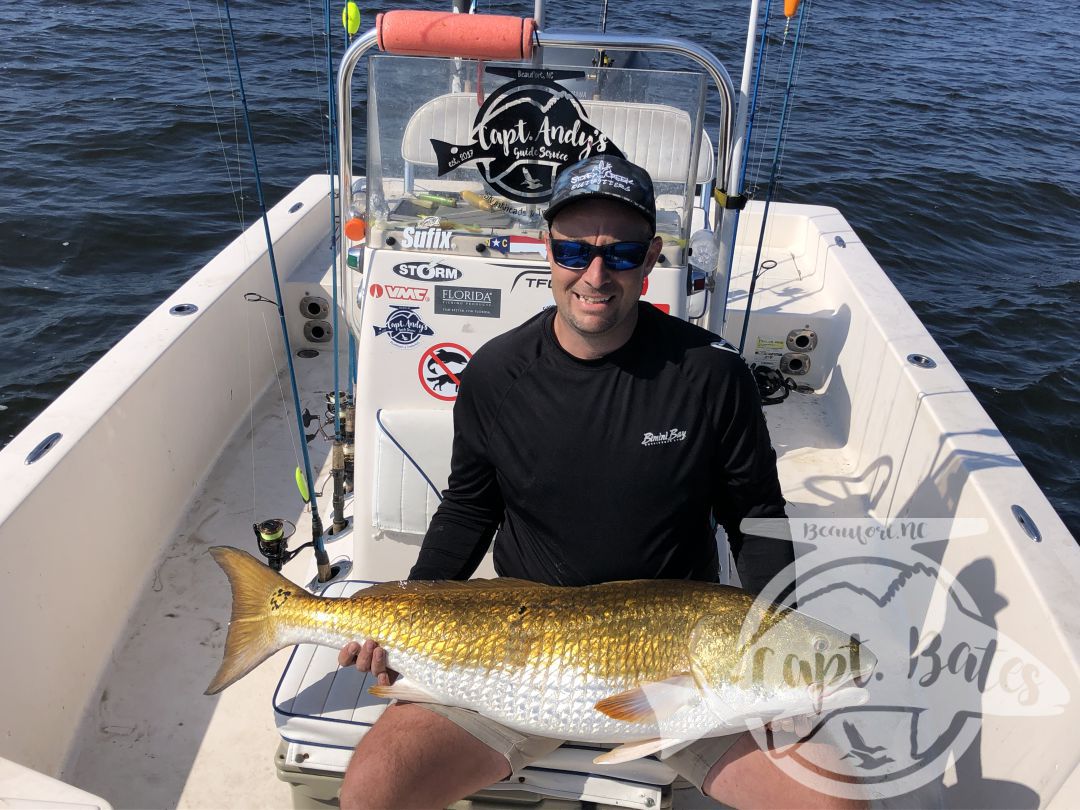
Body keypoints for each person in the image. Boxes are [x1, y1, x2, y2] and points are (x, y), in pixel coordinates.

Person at [337, 155, 861, 809]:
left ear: (650, 261)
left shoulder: (711, 374)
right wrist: (400, 617)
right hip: (517, 656)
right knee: (373, 791)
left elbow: (755, 514)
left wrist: (772, 655)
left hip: (681, 662)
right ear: (547, 251)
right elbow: (469, 510)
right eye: (575, 251)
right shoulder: (497, 374)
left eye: (620, 254)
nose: (594, 275)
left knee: (835, 800)